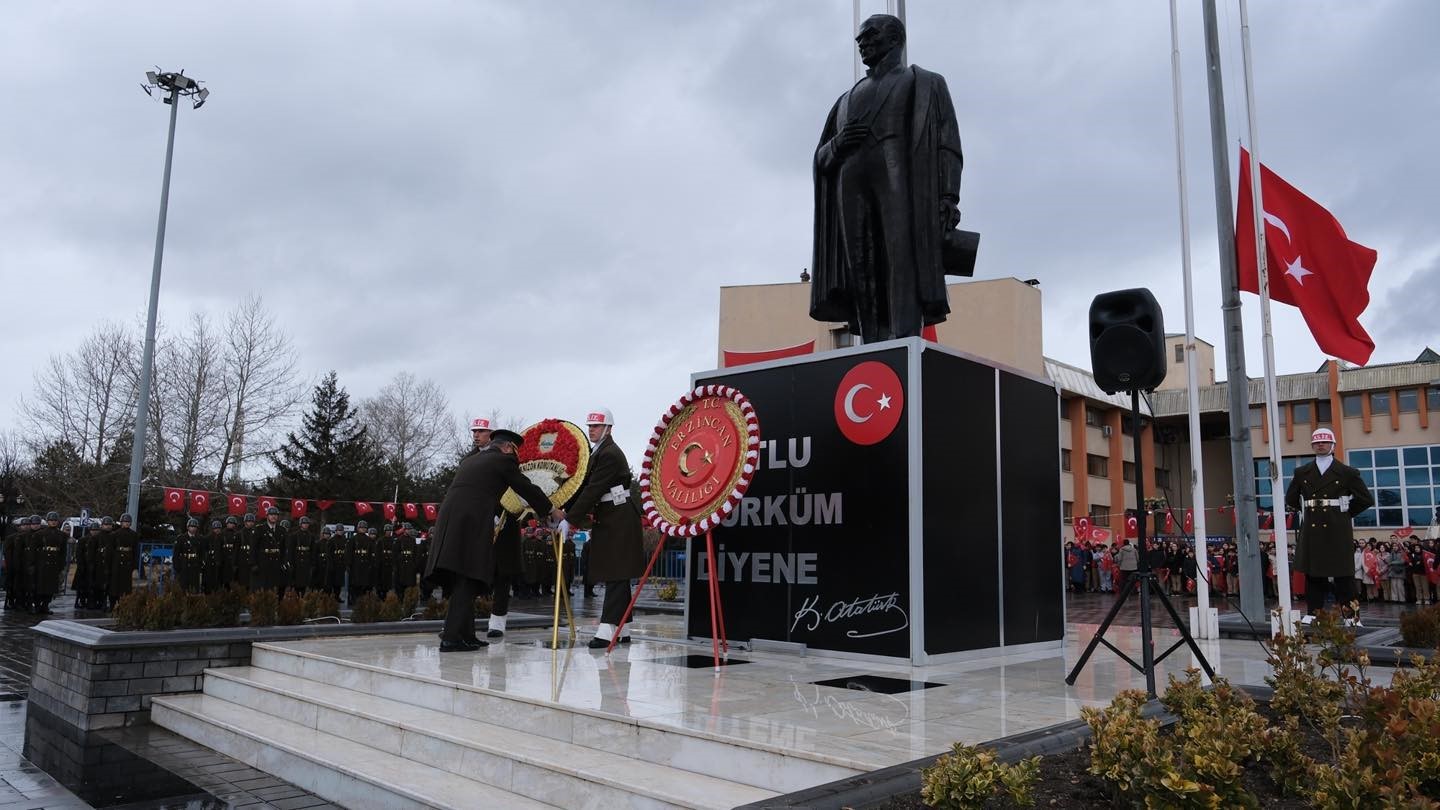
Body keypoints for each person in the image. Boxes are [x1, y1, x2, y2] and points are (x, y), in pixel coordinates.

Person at [810, 14, 965, 343]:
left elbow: (947, 142)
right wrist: (838, 144)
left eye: (870, 34)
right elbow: (822, 159)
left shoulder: (924, 83)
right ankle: (871, 343)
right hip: (851, 186)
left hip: (902, 182)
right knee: (860, 266)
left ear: (895, 39)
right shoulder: (845, 100)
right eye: (860, 37)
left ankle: (903, 340)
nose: (861, 42)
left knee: (902, 258)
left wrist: (948, 195)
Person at [426, 428, 557, 652]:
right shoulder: (503, 461)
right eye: (514, 451)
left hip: (452, 522)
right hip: (471, 524)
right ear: (507, 448)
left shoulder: (471, 460)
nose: (514, 457)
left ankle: (466, 635)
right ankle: (451, 638)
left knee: (463, 578)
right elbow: (525, 487)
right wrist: (551, 509)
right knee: (468, 576)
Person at [560, 408, 645, 649]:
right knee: (618, 573)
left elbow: (593, 489)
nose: (591, 430)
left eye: (596, 426)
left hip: (619, 517)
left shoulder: (609, 454)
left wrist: (570, 518)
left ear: (608, 428)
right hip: (611, 515)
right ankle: (623, 628)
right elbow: (584, 486)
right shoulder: (599, 452)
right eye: (590, 426)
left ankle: (607, 630)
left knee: (616, 573)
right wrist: (564, 508)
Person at [1285, 427, 1374, 619]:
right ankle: (1313, 614)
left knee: (1344, 575)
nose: (1320, 445)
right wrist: (1309, 511)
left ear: (1333, 445)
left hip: (1337, 528)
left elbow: (1365, 499)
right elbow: (1291, 498)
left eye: (1324, 442)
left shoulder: (1347, 472)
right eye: (1317, 442)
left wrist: (1344, 514)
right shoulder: (1302, 472)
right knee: (1313, 574)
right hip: (1312, 528)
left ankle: (1351, 617)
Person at [107, 514, 140, 609]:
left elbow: (135, 551)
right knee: (114, 584)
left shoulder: (134, 535)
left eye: (128, 522)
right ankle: (112, 604)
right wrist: (109, 564)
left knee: (126, 585)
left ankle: (124, 604)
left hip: (128, 561)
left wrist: (135, 565)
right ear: (121, 522)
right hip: (116, 560)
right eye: (125, 522)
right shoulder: (114, 534)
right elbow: (110, 550)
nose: (126, 523)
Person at [254, 508, 287, 591]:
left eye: (275, 515)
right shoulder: (260, 529)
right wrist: (254, 563)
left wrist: (284, 562)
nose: (273, 516)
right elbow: (254, 548)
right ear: (267, 516)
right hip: (263, 562)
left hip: (276, 562)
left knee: (275, 588)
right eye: (271, 515)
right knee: (263, 588)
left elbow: (284, 549)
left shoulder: (282, 530)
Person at [288, 515, 318, 594]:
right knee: (296, 582)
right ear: (300, 524)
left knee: (305, 582)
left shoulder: (311, 536)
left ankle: (303, 596)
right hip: (296, 560)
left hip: (306, 561)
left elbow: (313, 550)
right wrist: (291, 562)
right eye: (304, 523)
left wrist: (313, 562)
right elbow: (291, 550)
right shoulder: (294, 535)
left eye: (307, 523)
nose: (305, 525)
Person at [174, 518, 204, 592]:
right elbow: (176, 554)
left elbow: (201, 553)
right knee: (183, 587)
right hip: (184, 564)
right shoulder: (181, 538)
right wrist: (177, 566)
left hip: (195, 564)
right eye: (191, 526)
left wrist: (200, 564)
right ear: (187, 527)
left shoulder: (200, 538)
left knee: (194, 587)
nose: (193, 528)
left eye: (195, 527)